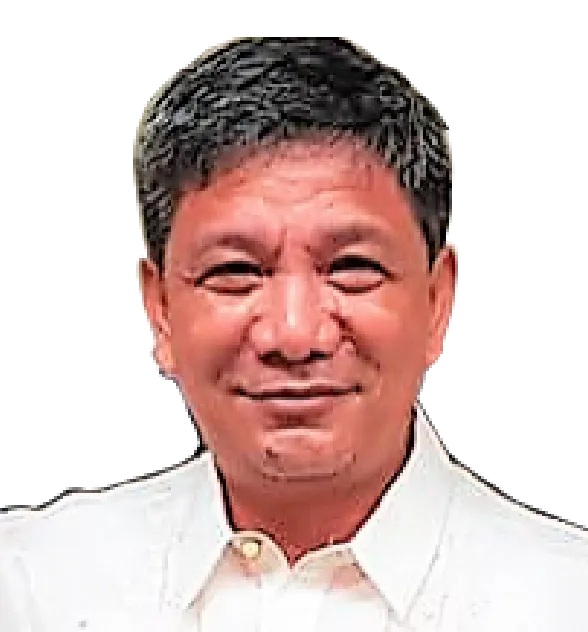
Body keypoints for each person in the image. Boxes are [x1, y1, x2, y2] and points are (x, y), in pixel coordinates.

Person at [1, 32, 587, 631]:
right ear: (160, 307)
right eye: (235, 271)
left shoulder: (564, 603)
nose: (294, 335)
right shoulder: (34, 590)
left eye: (352, 267)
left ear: (438, 300)